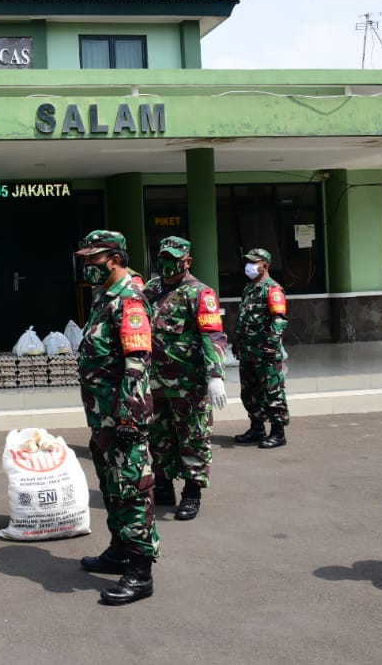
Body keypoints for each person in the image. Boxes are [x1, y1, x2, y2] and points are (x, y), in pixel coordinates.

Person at [73, 229, 158, 606]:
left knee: (131, 487)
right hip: (102, 415)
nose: (88, 266)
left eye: (95, 259)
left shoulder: (129, 301)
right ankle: (120, 549)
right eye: (87, 259)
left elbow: (137, 364)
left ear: (116, 259)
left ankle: (140, 571)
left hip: (123, 415)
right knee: (110, 484)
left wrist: (128, 417)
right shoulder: (102, 297)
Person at [143, 236, 229, 521]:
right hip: (155, 382)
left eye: (174, 258)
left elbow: (212, 335)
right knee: (159, 437)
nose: (167, 263)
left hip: (187, 383)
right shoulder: (151, 289)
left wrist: (215, 375)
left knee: (192, 437)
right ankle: (164, 486)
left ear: (187, 261)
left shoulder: (200, 293)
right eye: (163, 257)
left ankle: (192, 493)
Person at [232, 248, 290, 449]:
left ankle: (278, 432)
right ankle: (257, 428)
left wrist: (271, 345)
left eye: (253, 262)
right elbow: (243, 319)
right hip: (247, 352)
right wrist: (237, 343)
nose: (249, 266)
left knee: (272, 392)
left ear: (265, 265)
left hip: (265, 353)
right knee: (249, 393)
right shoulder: (249, 289)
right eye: (248, 262)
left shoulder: (273, 290)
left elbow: (280, 320)